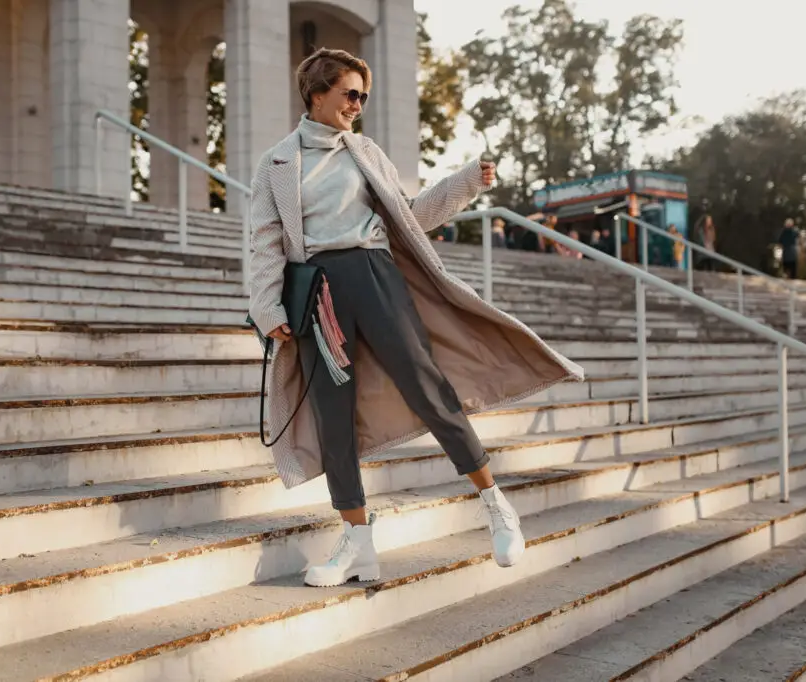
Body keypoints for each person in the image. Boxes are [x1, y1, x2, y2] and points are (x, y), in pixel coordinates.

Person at [247, 48, 584, 587]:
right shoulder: (277, 163)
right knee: (334, 417)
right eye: (349, 93)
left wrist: (467, 182)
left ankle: (495, 503)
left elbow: (411, 216)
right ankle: (357, 543)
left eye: (363, 95)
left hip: (377, 278)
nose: (358, 104)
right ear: (317, 93)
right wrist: (266, 308)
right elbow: (263, 242)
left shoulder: (366, 153)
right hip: (319, 297)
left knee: (426, 385)